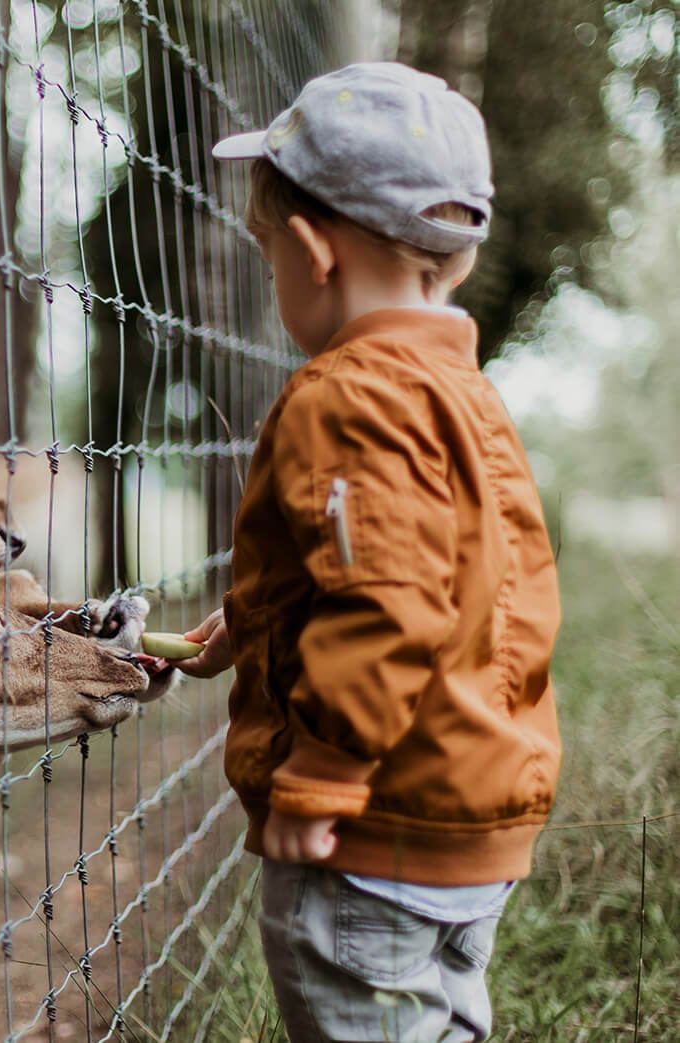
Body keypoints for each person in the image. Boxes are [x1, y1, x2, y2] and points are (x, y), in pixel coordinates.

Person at [172, 63, 562, 1042]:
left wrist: (323, 771)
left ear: (312, 254)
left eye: (268, 256)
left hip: (369, 830)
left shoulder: (347, 395)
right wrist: (257, 617)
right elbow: (455, 576)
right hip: (469, 814)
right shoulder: (465, 394)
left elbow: (388, 601)